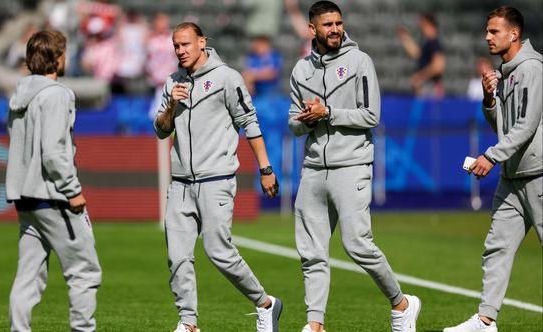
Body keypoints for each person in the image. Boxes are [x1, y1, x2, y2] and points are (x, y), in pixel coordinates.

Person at [288, 2, 421, 332]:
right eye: (327, 24)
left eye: (338, 23)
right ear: (312, 29)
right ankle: (315, 324)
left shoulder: (360, 62)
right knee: (311, 252)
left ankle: (402, 305)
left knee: (358, 245)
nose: (335, 29)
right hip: (314, 168)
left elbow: (371, 116)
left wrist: (328, 113)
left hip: (352, 165)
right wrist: (305, 120)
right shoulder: (300, 70)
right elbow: (292, 124)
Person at [154, 22, 283, 332]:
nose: (180, 51)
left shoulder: (227, 78)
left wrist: (266, 169)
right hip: (181, 183)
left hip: (216, 179)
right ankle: (188, 323)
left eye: (185, 44)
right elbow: (161, 130)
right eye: (176, 46)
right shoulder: (172, 82)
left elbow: (250, 123)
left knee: (218, 251)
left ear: (202, 42)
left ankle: (265, 303)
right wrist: (172, 103)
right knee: (177, 258)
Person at [445, 6, 542, 332]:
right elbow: (504, 126)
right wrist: (490, 100)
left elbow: (526, 126)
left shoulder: (531, 68)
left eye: (494, 31)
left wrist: (490, 156)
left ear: (513, 34)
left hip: (538, 174)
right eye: (487, 31)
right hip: (513, 177)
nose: (487, 37)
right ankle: (486, 320)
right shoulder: (508, 71)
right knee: (497, 247)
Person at [6, 30, 102, 332]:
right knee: (84, 271)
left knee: (28, 276)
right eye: (65, 53)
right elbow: (53, 151)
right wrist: (73, 190)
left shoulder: (21, 93)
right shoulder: (57, 94)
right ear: (57, 57)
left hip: (24, 196)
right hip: (53, 194)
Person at [397, 13, 446, 97]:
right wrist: (405, 38)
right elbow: (418, 54)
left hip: (430, 87)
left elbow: (439, 66)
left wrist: (420, 76)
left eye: (422, 24)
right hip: (427, 86)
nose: (420, 26)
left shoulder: (434, 42)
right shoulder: (427, 42)